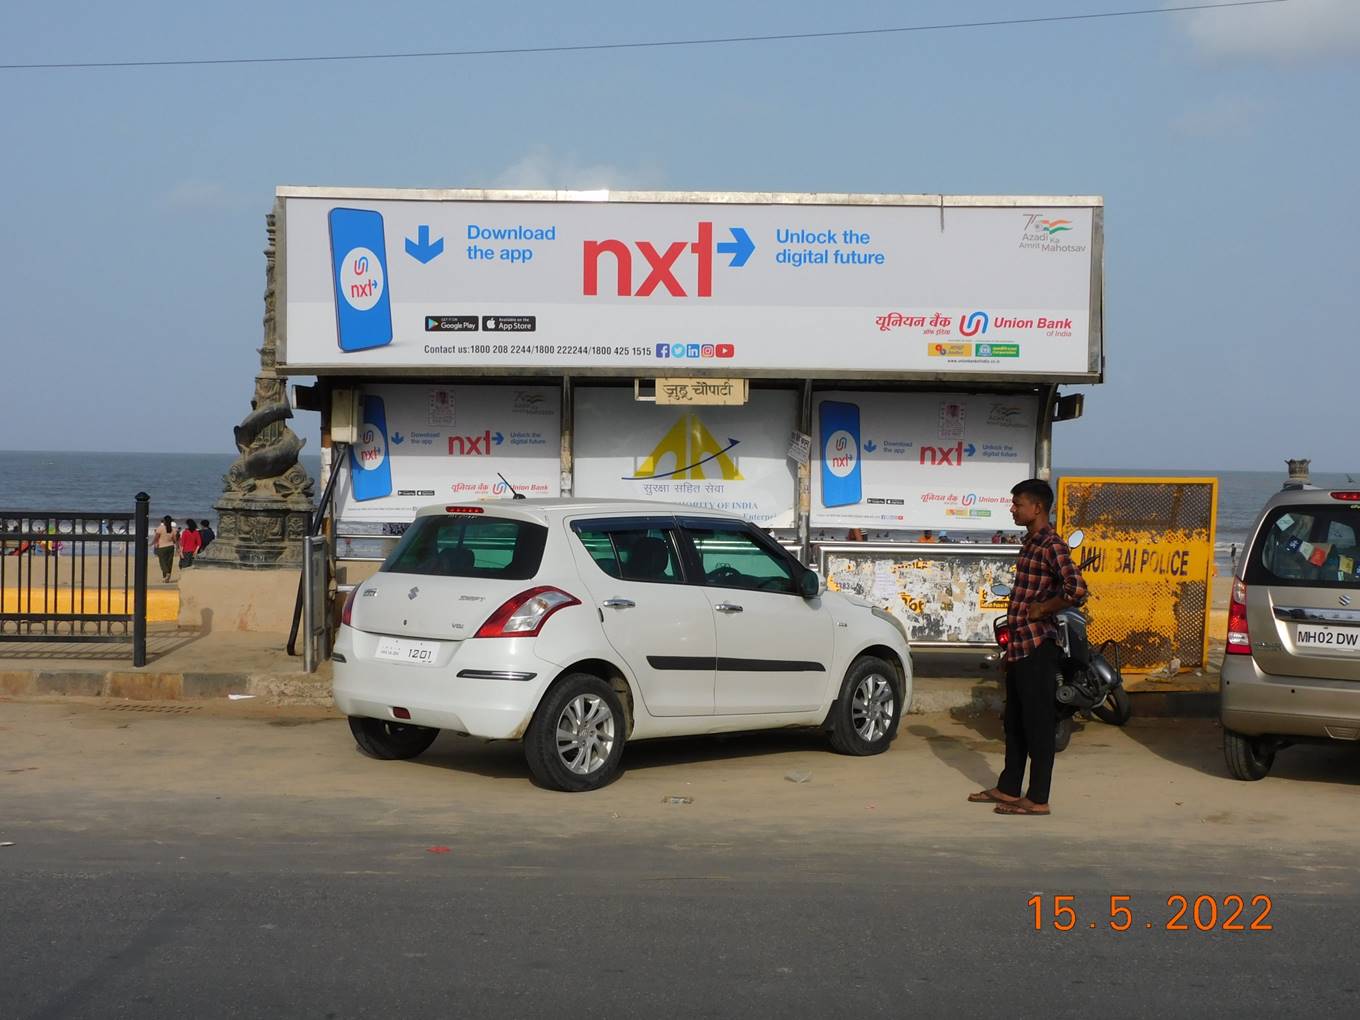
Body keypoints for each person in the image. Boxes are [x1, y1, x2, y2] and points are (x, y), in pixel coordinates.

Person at [969, 478, 1087, 817]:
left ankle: (1037, 798)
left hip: (1038, 647)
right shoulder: (1031, 542)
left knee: (1038, 725)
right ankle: (1008, 788)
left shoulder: (1051, 544)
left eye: (1018, 503)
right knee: (1015, 722)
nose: (1013, 508)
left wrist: (1045, 608)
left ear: (1037, 508)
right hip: (1020, 646)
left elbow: (1077, 589)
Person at [152, 515, 177, 582]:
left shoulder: (160, 528)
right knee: (169, 562)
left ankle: (166, 573)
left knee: (162, 562)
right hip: (171, 547)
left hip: (162, 547)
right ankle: (166, 577)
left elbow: (156, 537)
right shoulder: (173, 529)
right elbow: (175, 540)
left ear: (164, 521)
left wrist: (152, 543)